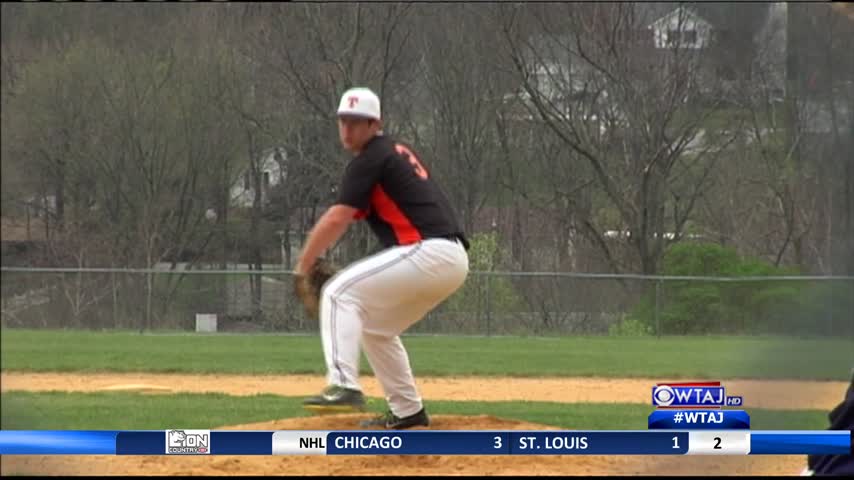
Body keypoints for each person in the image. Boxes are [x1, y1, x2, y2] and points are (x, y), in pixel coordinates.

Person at [296, 87, 470, 430]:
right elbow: (351, 216)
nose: (348, 130)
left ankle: (343, 384)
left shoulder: (372, 157)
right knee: (376, 328)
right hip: (449, 259)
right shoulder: (389, 153)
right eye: (343, 121)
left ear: (376, 124)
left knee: (338, 292)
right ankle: (409, 413)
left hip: (430, 252)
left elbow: (337, 218)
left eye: (357, 123)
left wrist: (303, 266)